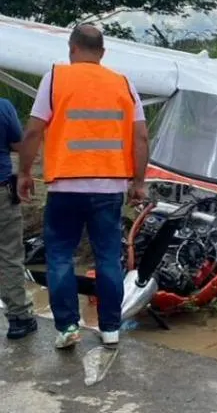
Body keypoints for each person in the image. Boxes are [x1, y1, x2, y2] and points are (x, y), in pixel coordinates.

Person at [17, 24, 149, 349]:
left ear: (72, 49)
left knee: (60, 255)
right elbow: (141, 135)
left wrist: (23, 174)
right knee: (106, 257)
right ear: (102, 53)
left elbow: (33, 132)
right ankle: (110, 329)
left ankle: (66, 328)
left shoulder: (55, 78)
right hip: (109, 188)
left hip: (64, 186)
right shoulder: (123, 82)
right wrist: (138, 182)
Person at [0, 97, 37, 339]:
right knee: (9, 255)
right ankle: (19, 318)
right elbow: (18, 143)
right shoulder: (3, 106)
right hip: (1, 192)